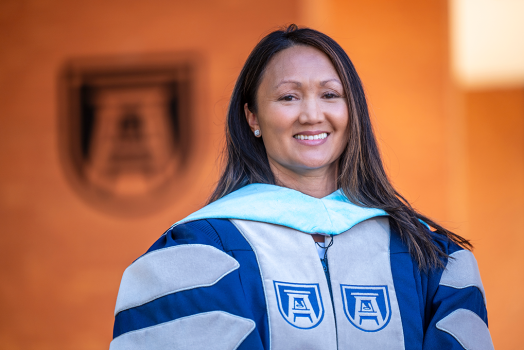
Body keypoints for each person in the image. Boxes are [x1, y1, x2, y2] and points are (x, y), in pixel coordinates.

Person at [109, 25, 493, 350]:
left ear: (352, 111)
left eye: (330, 95)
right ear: (253, 117)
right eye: (288, 97)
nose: (312, 115)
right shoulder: (197, 254)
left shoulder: (430, 258)